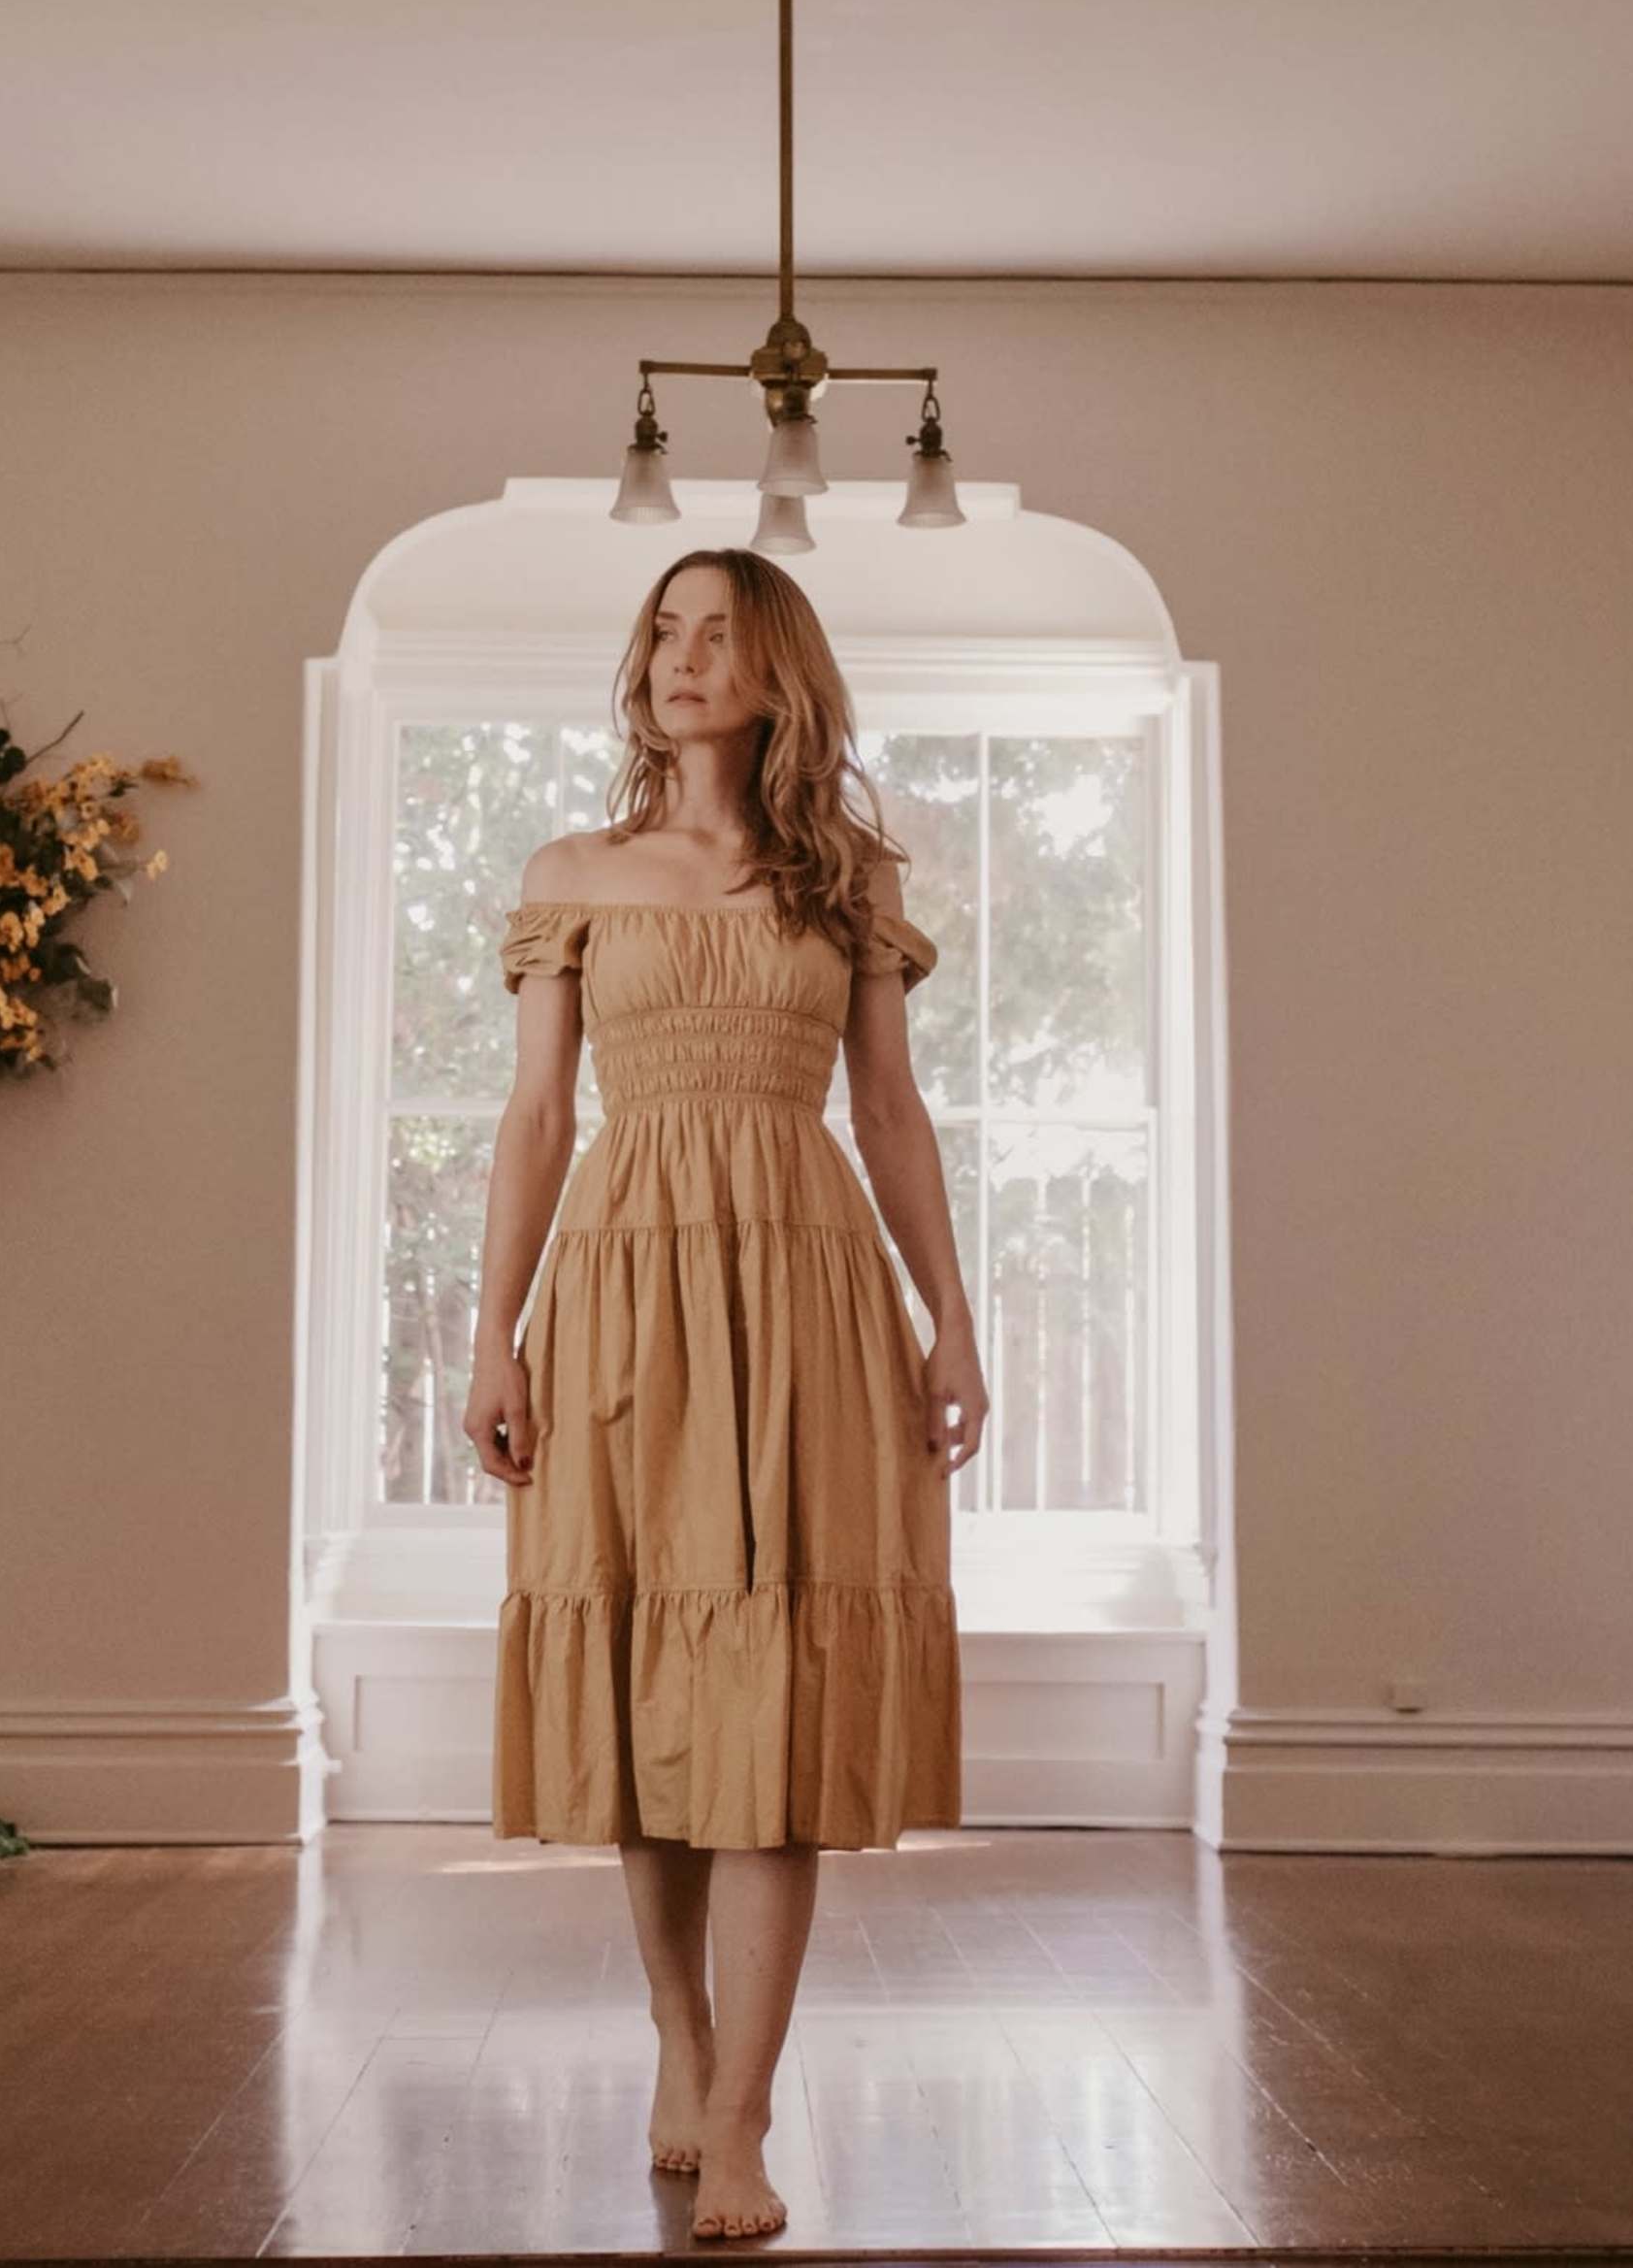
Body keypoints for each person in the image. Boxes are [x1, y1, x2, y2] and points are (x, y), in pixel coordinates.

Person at [467, 546, 989, 2243]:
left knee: (775, 1682)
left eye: (722, 635)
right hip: (625, 1280)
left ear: (779, 673)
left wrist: (952, 1320)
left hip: (806, 1279)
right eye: (666, 632)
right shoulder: (575, 871)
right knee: (643, 1655)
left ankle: (750, 2113)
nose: (686, 660)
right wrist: (496, 1334)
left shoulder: (847, 883)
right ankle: (678, 2034)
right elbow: (538, 1119)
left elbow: (894, 1117)